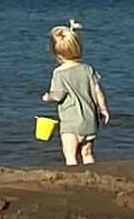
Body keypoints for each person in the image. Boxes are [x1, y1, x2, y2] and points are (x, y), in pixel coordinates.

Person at [42, 19, 110, 166]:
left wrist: (47, 97)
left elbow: (57, 95)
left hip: (71, 124)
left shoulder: (59, 73)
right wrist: (103, 109)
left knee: (71, 156)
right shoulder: (87, 69)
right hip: (90, 122)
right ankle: (93, 174)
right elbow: (98, 91)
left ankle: (74, 178)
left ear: (55, 53)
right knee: (87, 153)